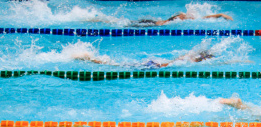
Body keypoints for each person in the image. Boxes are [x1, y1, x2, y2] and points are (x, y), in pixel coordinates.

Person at [74, 49, 214, 70]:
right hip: (153, 66)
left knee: (117, 65)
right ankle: (89, 58)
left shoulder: (186, 58)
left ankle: (90, 58)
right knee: (116, 66)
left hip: (153, 63)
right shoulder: (189, 62)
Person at [127, 12, 233, 27]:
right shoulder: (181, 17)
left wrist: (220, 15)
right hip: (152, 24)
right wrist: (220, 15)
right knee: (127, 25)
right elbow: (204, 18)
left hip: (153, 22)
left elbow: (203, 18)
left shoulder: (184, 17)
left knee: (129, 23)